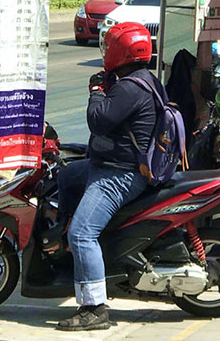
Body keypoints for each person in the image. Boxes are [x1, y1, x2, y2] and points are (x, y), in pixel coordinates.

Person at [53, 22, 162, 331]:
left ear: (118, 51)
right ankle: (65, 249)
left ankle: (94, 308)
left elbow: (98, 121)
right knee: (66, 177)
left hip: (119, 174)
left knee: (82, 234)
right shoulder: (144, 79)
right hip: (110, 165)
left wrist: (96, 92)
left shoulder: (128, 87)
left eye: (108, 47)